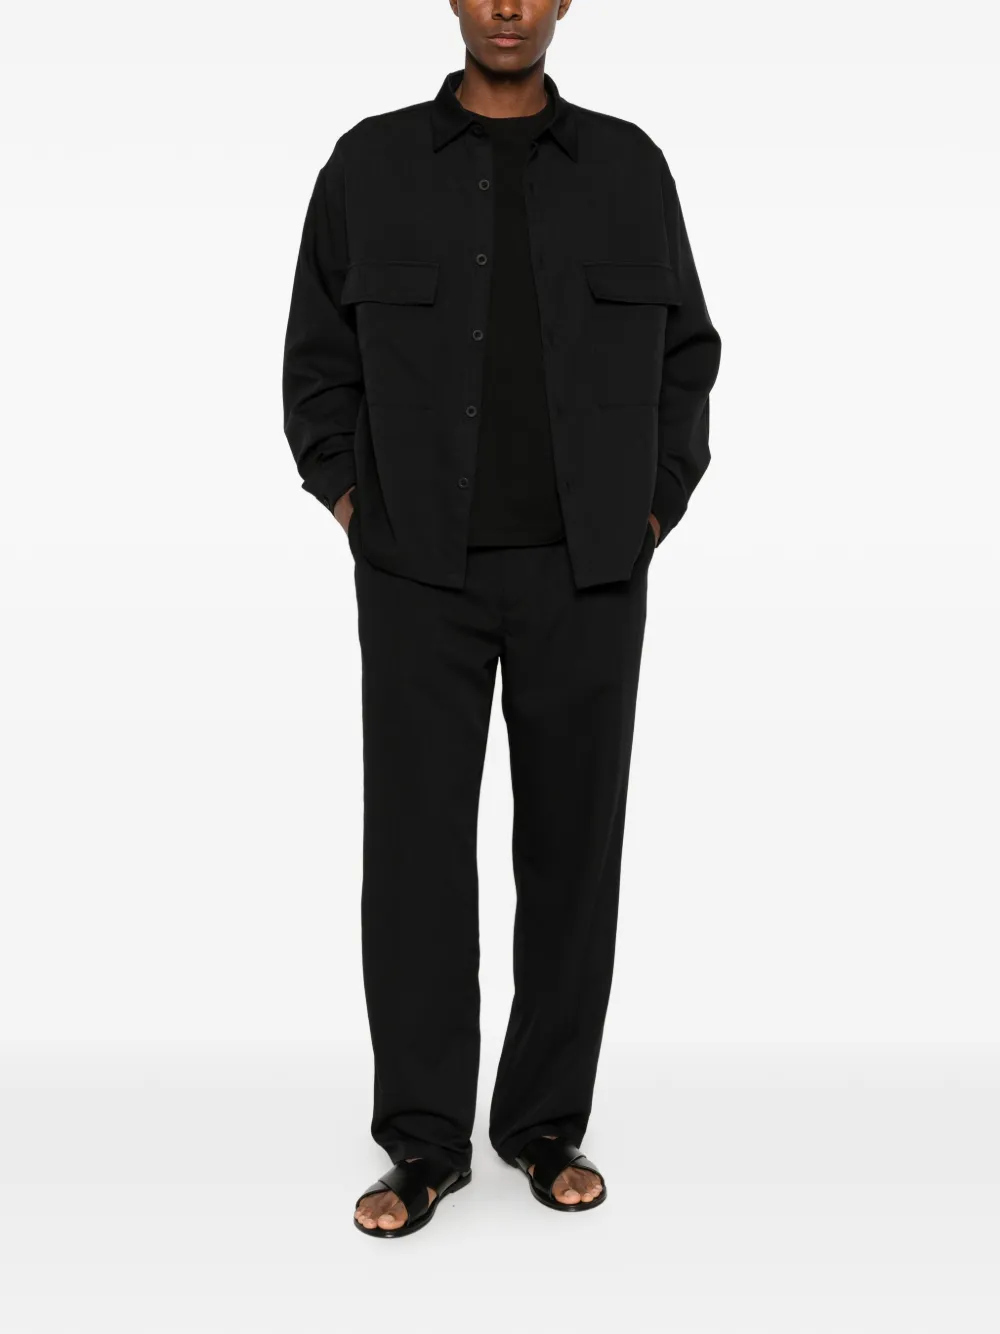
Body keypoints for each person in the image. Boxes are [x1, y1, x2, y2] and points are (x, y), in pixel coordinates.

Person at [281, 0, 721, 1239]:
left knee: (573, 855)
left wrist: (649, 509)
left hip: (588, 573)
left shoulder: (629, 168)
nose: (508, 7)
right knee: (415, 858)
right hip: (418, 572)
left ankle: (542, 1123)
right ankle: (422, 1143)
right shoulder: (368, 165)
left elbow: (687, 354)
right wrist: (356, 504)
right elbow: (315, 364)